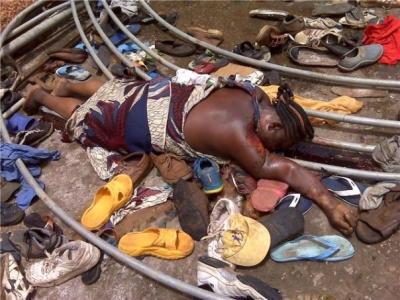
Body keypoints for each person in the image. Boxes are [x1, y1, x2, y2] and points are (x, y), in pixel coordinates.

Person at [23, 74, 357, 235]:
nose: (272, 149)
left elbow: (276, 151)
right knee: (90, 120)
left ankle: (66, 83)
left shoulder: (256, 94)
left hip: (163, 91)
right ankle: (44, 96)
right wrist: (328, 202)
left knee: (119, 90)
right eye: (277, 140)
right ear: (271, 127)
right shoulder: (240, 137)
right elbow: (283, 170)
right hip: (150, 120)